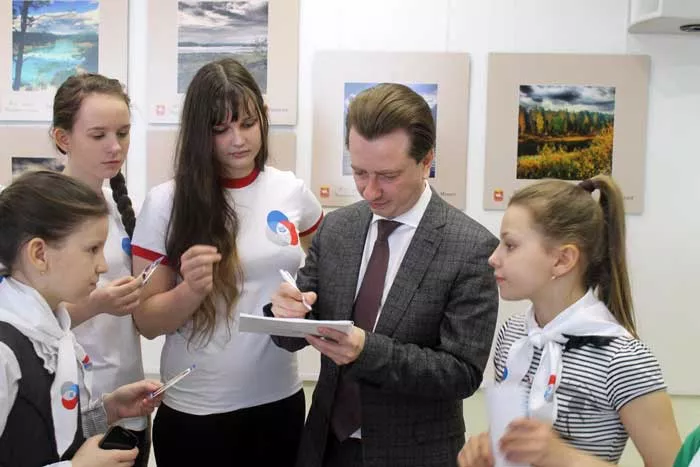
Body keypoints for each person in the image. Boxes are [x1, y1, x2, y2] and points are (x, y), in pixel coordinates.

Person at [269, 83, 499, 467]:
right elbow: (292, 333)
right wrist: (283, 312)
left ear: (426, 162)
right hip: (325, 447)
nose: (370, 191)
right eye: (359, 172)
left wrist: (366, 351)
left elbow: (462, 373)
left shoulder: (471, 247)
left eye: (388, 175)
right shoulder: (337, 228)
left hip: (414, 455)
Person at [130, 58, 323, 466]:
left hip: (280, 401)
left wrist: (307, 301)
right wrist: (190, 291)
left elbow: (329, 269)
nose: (238, 139)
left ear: (263, 118)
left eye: (248, 123)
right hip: (198, 412)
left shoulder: (290, 190)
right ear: (200, 132)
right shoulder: (166, 202)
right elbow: (146, 322)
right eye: (221, 129)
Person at [457, 176, 681, 467]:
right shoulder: (513, 335)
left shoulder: (623, 359)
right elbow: (515, 441)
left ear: (563, 260)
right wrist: (488, 448)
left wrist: (563, 457)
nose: (493, 258)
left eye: (510, 245)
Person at [0, 170, 162, 467]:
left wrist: (109, 411)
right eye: (92, 250)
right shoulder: (5, 350)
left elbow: (46, 432)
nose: (103, 266)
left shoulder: (53, 329)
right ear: (39, 254)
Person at [50, 73, 149, 466]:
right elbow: (19, 321)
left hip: (128, 402)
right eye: (98, 135)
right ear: (63, 138)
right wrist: (98, 304)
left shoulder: (121, 208)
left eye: (123, 133)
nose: (115, 146)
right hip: (64, 409)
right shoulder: (34, 214)